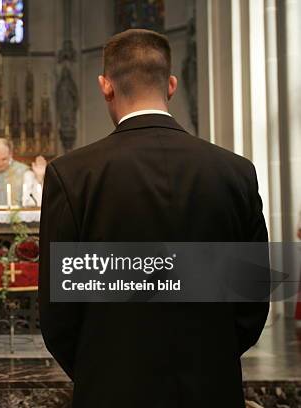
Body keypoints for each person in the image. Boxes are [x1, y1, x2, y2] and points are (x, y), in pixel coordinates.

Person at [38, 29, 270, 407]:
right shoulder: (235, 171)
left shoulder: (73, 174)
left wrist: (104, 369)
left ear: (105, 86)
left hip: (111, 387)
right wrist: (209, 360)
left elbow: (58, 314)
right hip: (211, 386)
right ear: (173, 85)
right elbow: (253, 302)